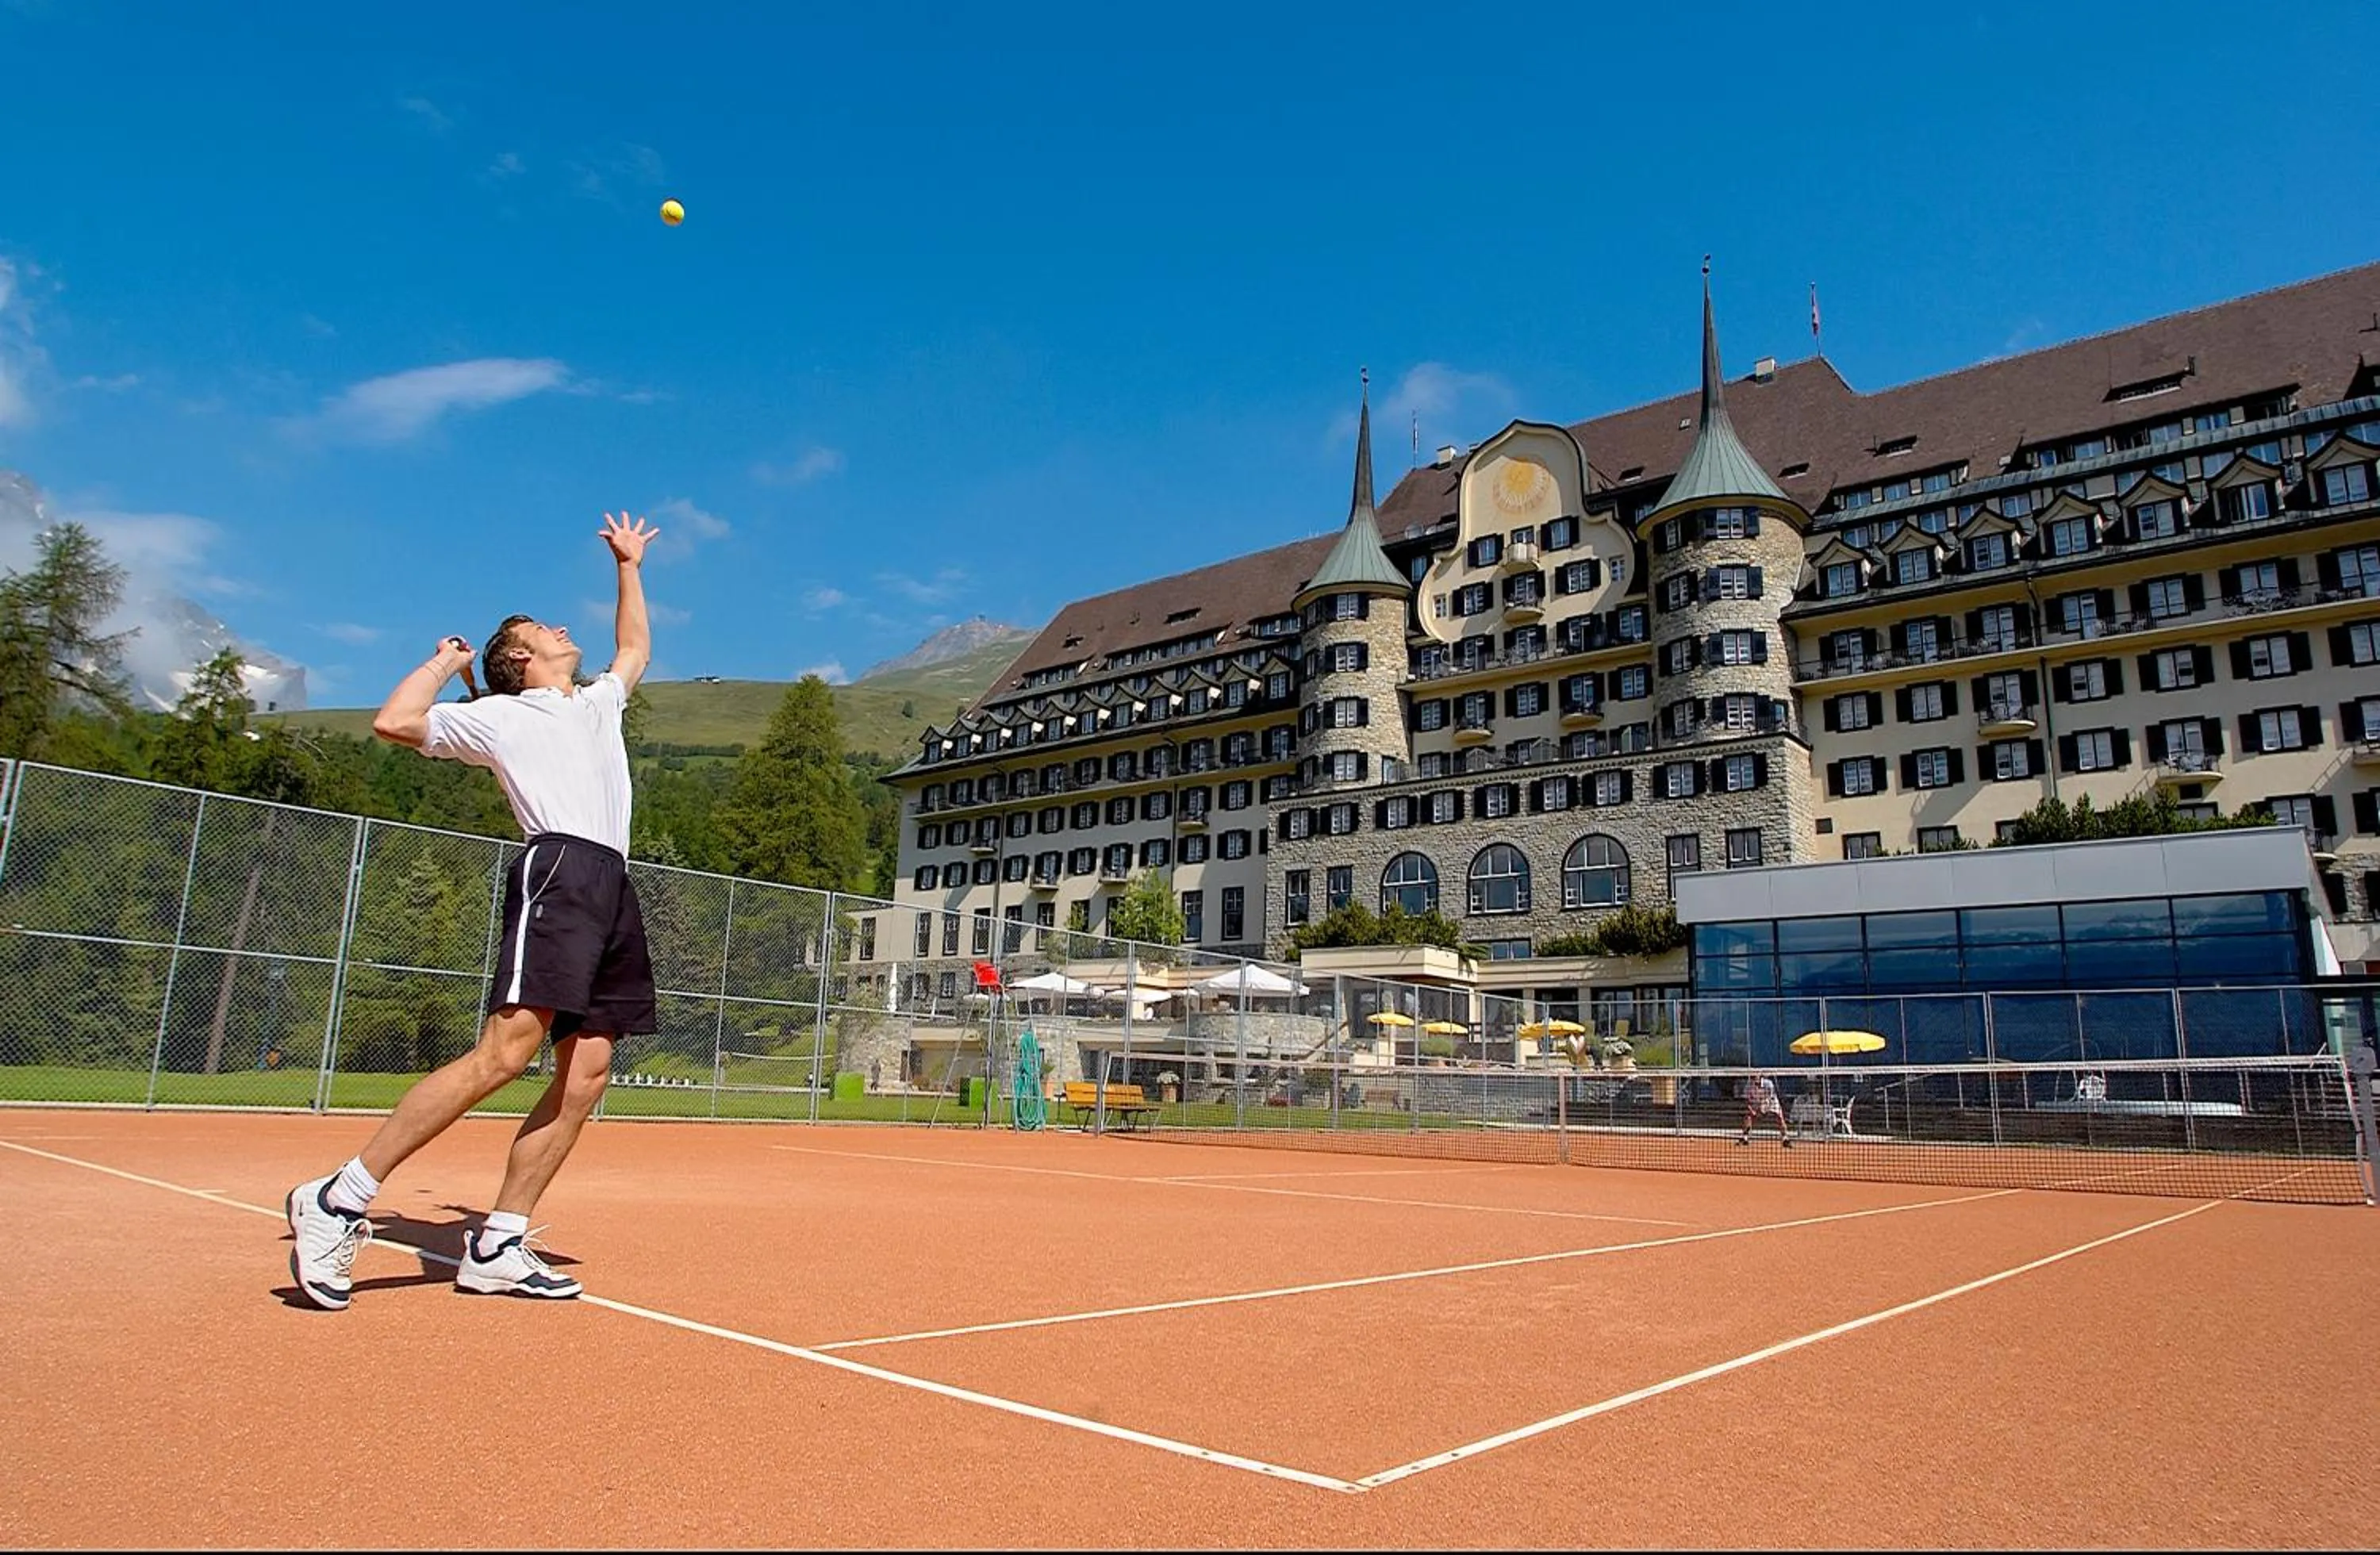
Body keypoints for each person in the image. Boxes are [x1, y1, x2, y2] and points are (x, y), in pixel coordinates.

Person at [285, 511, 658, 1311]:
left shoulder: (596, 702)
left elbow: (635, 650)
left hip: (612, 883)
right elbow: (395, 723)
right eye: (542, 628)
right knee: (505, 1053)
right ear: (520, 660)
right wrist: (444, 661)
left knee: (588, 1071)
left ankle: (498, 1241)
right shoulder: (499, 714)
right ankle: (339, 1196)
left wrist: (628, 566)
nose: (564, 627)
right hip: (558, 868)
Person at [1737, 1071, 1794, 1147]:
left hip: (1771, 1102)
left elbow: (1770, 1097)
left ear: (1759, 1076)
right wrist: (1752, 1111)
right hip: (1757, 1103)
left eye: (1755, 1076)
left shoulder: (1768, 1084)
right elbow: (1747, 1101)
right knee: (1748, 1117)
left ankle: (1785, 1139)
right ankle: (1745, 1138)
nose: (1754, 1077)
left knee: (1780, 1117)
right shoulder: (1749, 1086)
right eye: (1752, 1076)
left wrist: (1763, 1108)